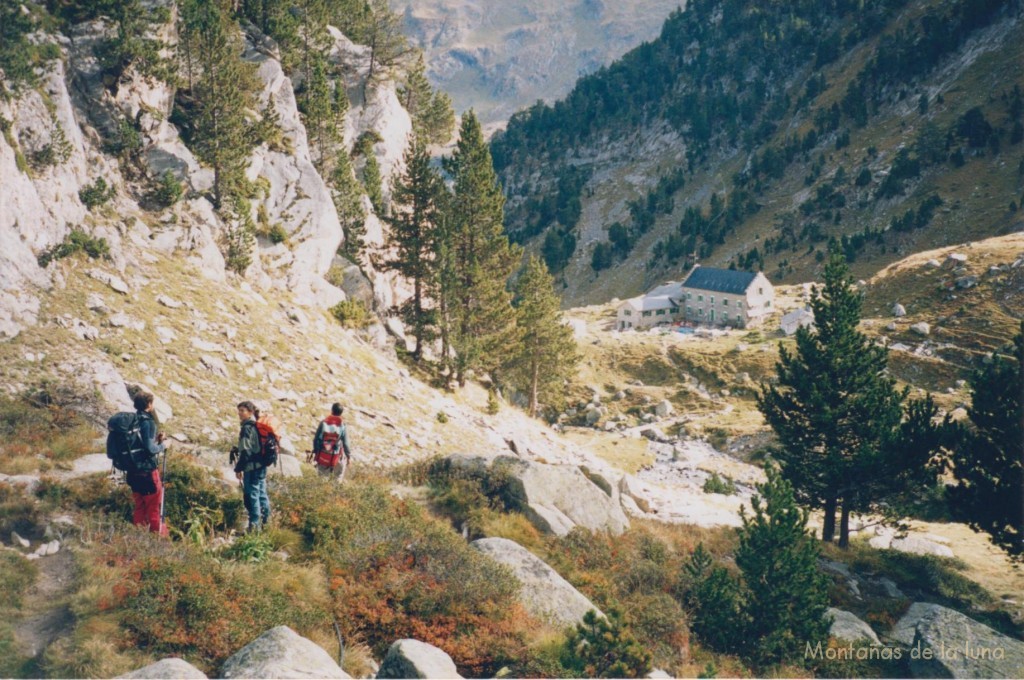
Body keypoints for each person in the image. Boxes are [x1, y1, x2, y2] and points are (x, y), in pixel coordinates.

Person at [126, 391, 168, 536]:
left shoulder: (132, 419)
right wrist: (163, 446)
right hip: (147, 472)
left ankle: (138, 536)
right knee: (154, 506)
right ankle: (158, 541)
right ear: (149, 405)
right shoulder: (148, 422)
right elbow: (150, 449)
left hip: (132, 470)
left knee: (140, 506)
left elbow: (141, 444)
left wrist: (157, 440)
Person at [233, 400, 270, 532]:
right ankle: (266, 524)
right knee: (262, 494)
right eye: (239, 411)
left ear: (250, 412)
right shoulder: (257, 426)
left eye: (242, 411)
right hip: (261, 466)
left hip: (252, 468)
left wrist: (238, 469)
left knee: (252, 496)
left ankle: (254, 528)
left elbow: (246, 451)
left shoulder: (247, 428)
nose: (240, 414)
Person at [311, 402, 351, 480]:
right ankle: (334, 491)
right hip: (336, 456)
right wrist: (348, 456)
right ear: (341, 413)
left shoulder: (323, 423)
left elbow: (316, 439)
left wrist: (316, 451)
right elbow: (346, 443)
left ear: (332, 411)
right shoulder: (343, 425)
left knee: (321, 479)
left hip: (323, 455)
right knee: (338, 477)